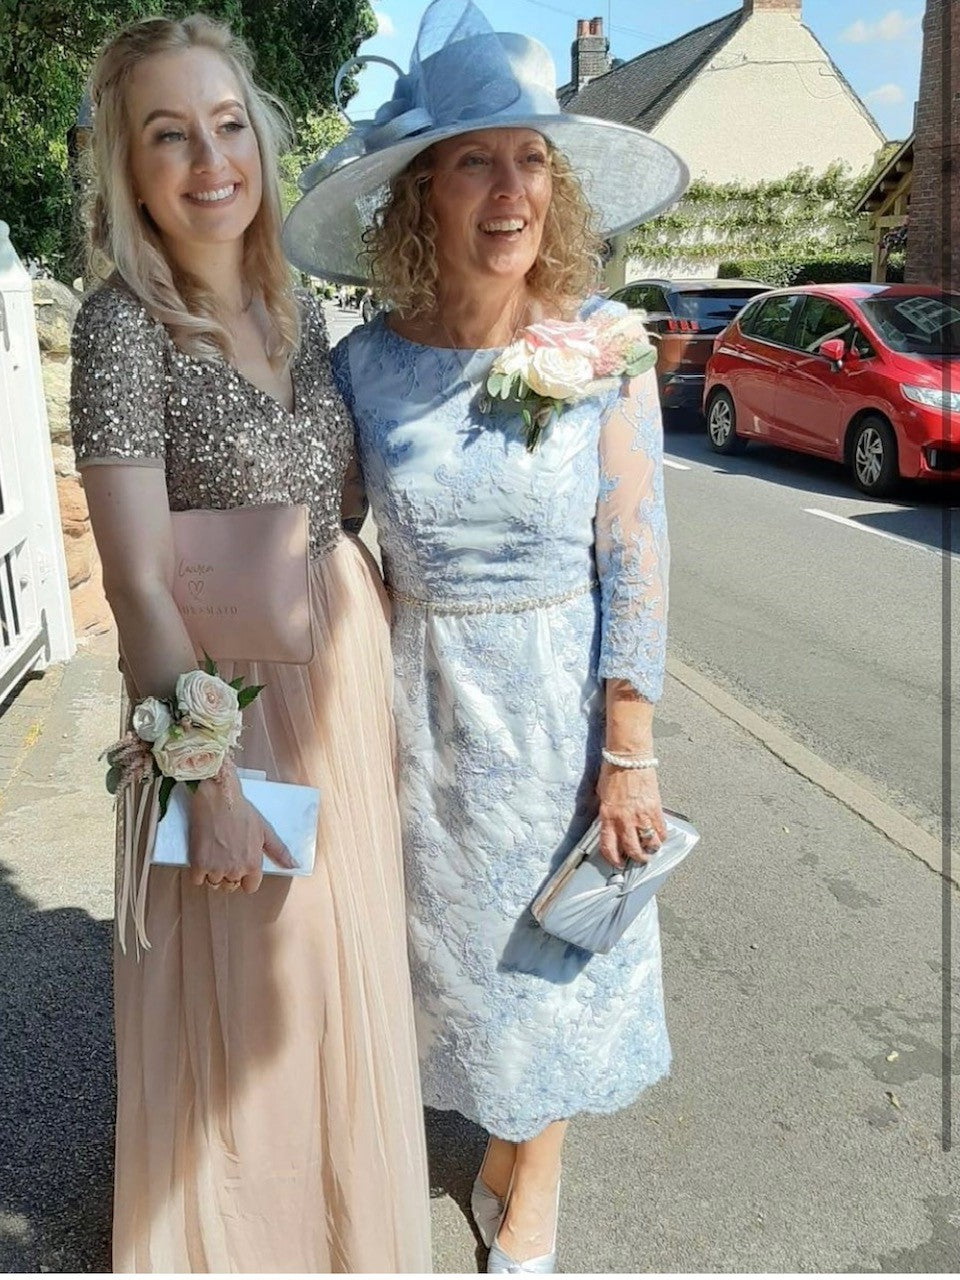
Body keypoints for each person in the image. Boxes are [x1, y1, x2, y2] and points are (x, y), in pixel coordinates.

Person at [284, 0, 689, 1272]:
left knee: (553, 953)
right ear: (423, 191)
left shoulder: (604, 349)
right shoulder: (363, 369)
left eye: (530, 157)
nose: (509, 189)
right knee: (450, 964)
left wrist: (631, 744)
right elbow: (325, 545)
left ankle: (535, 1182)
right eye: (475, 159)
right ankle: (500, 1132)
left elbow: (637, 548)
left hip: (559, 712)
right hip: (417, 709)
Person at [69, 14, 430, 1273]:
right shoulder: (124, 329)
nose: (209, 158)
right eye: (169, 135)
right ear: (129, 165)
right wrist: (205, 780)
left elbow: (336, 508)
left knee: (335, 987)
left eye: (228, 125)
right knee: (248, 1017)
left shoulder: (303, 307)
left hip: (340, 682)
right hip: (223, 708)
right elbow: (135, 580)